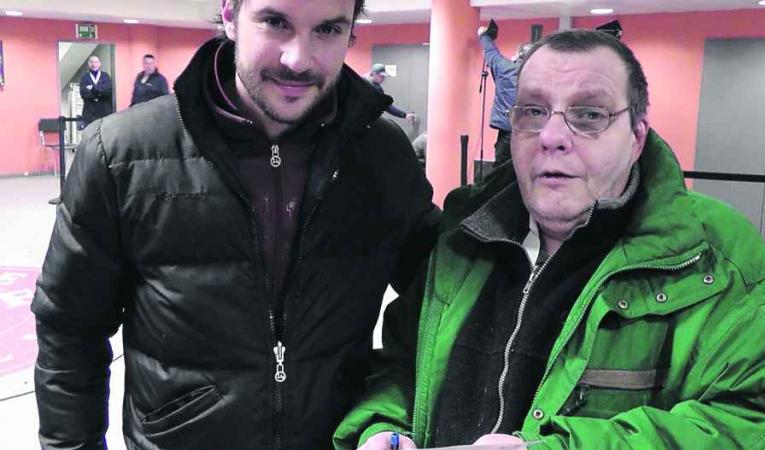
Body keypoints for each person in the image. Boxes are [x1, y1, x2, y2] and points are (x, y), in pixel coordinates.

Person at [335, 29, 765, 450]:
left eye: (589, 115)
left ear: (636, 135)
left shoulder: (712, 254)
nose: (552, 136)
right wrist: (381, 427)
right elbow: (400, 365)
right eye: (533, 112)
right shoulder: (463, 237)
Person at [31, 0, 440, 448]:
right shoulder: (121, 153)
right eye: (275, 22)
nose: (297, 59)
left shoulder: (382, 155)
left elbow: (445, 299)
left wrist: (386, 412)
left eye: (327, 30)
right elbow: (70, 331)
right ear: (229, 14)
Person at [477, 25, 531, 168]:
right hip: (531, 132)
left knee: (500, 172)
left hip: (506, 130)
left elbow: (491, 51)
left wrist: (483, 34)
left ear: (518, 54)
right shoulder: (541, 74)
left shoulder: (504, 67)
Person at [79, 55, 113, 129]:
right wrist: (100, 93)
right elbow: (84, 94)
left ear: (99, 64)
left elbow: (108, 92)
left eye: (96, 62)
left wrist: (93, 89)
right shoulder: (84, 78)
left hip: (104, 112)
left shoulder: (105, 76)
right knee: (91, 135)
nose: (94, 64)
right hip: (90, 113)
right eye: (91, 62)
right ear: (88, 64)